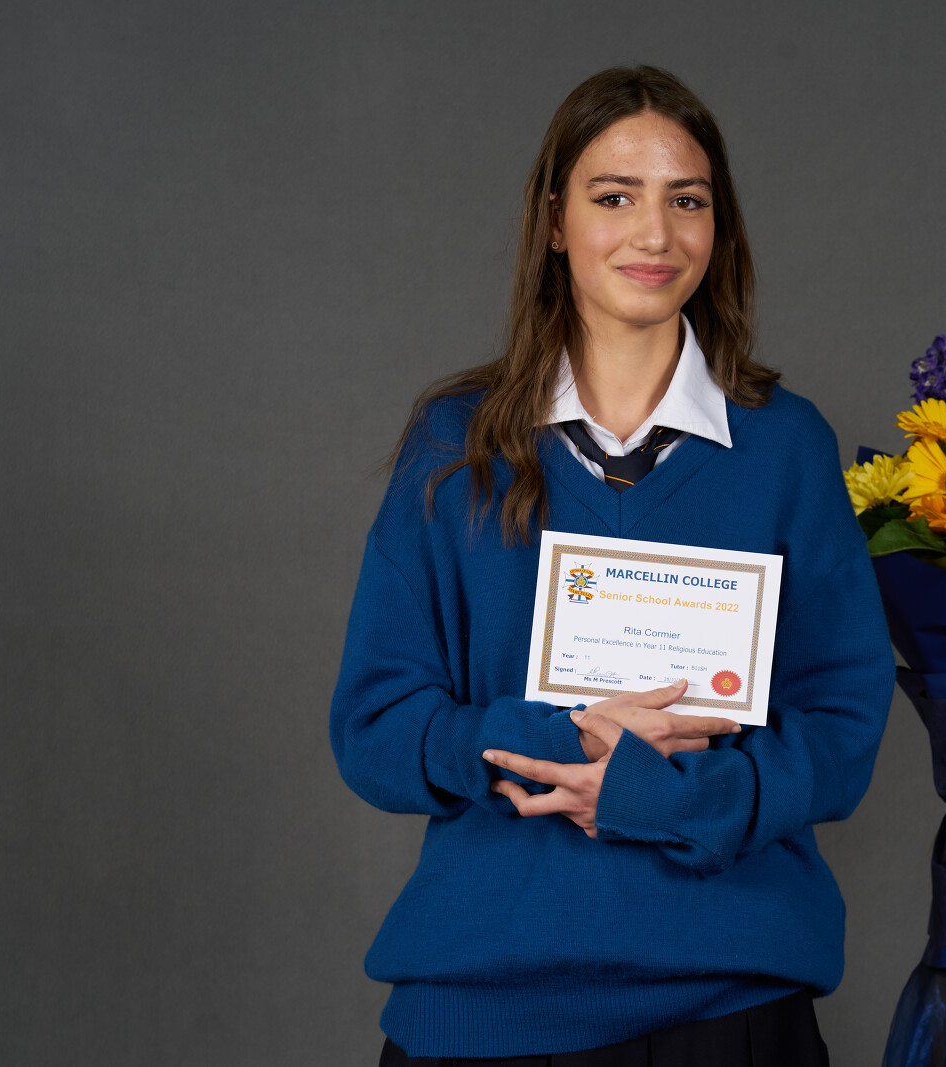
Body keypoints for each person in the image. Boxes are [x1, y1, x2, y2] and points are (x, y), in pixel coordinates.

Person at [329, 64, 893, 1066]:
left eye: (688, 200)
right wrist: (553, 742)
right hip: (483, 1005)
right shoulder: (452, 445)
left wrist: (654, 796)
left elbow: (842, 732)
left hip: (729, 1004)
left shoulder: (786, 447)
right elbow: (374, 731)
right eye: (615, 197)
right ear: (555, 221)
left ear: (719, 226)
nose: (655, 234)